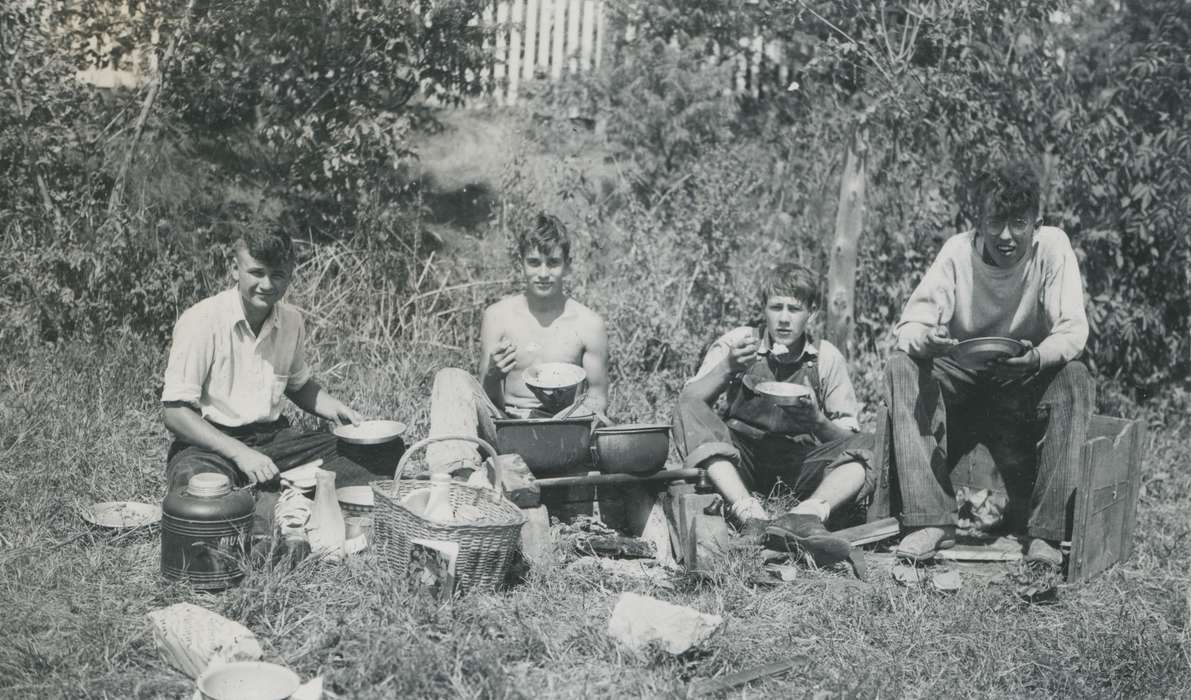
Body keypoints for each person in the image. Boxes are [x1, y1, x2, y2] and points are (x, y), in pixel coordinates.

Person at [886, 158, 1093, 570]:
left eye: (1019, 222)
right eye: (995, 221)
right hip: (962, 377)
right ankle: (931, 520)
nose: (1006, 235)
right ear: (977, 221)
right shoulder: (958, 253)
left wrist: (1036, 356)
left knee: (1074, 375)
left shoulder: (1052, 248)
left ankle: (1045, 533)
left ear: (1036, 221)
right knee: (900, 366)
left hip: (1023, 379)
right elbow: (909, 325)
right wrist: (929, 340)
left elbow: (1073, 331)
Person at [161, 225, 374, 533]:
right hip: (210, 444)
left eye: (277, 275)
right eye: (256, 272)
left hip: (275, 441)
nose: (266, 285)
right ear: (235, 269)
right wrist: (240, 454)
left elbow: (298, 384)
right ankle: (281, 500)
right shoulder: (202, 320)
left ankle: (276, 495)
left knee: (380, 456)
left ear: (290, 274)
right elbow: (175, 413)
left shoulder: (291, 320)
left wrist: (335, 409)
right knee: (197, 488)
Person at [670, 263, 875, 565]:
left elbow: (849, 437)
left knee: (872, 445)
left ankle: (805, 516)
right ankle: (749, 513)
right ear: (763, 309)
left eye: (794, 309)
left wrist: (818, 422)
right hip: (741, 460)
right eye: (775, 307)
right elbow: (689, 402)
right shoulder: (740, 342)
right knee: (688, 407)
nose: (783, 319)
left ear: (812, 313)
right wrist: (727, 367)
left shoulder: (826, 357)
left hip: (800, 463)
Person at [426, 213, 610, 472]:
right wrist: (493, 374)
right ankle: (456, 475)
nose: (543, 273)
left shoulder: (589, 324)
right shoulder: (497, 316)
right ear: (521, 263)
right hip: (506, 430)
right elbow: (490, 401)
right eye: (534, 262)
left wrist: (566, 413)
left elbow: (598, 400)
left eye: (553, 263)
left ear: (568, 265)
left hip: (562, 434)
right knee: (450, 377)